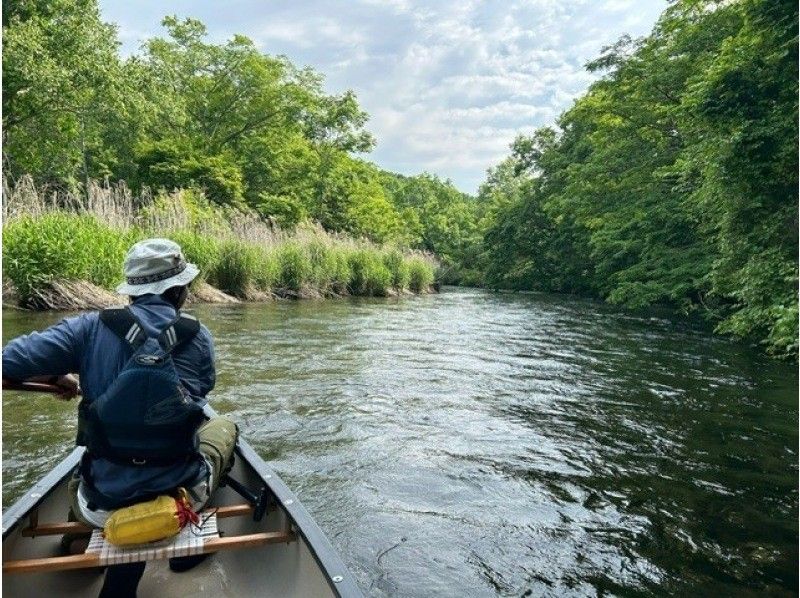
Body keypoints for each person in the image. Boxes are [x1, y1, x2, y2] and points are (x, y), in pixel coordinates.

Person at [2, 238, 238, 597]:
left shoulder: (86, 329)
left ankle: (77, 536)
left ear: (132, 290)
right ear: (179, 290)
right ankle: (189, 542)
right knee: (223, 427)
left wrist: (55, 377)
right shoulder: (199, 337)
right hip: (175, 496)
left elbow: (7, 362)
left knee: (87, 466)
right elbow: (198, 395)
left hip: (98, 505)